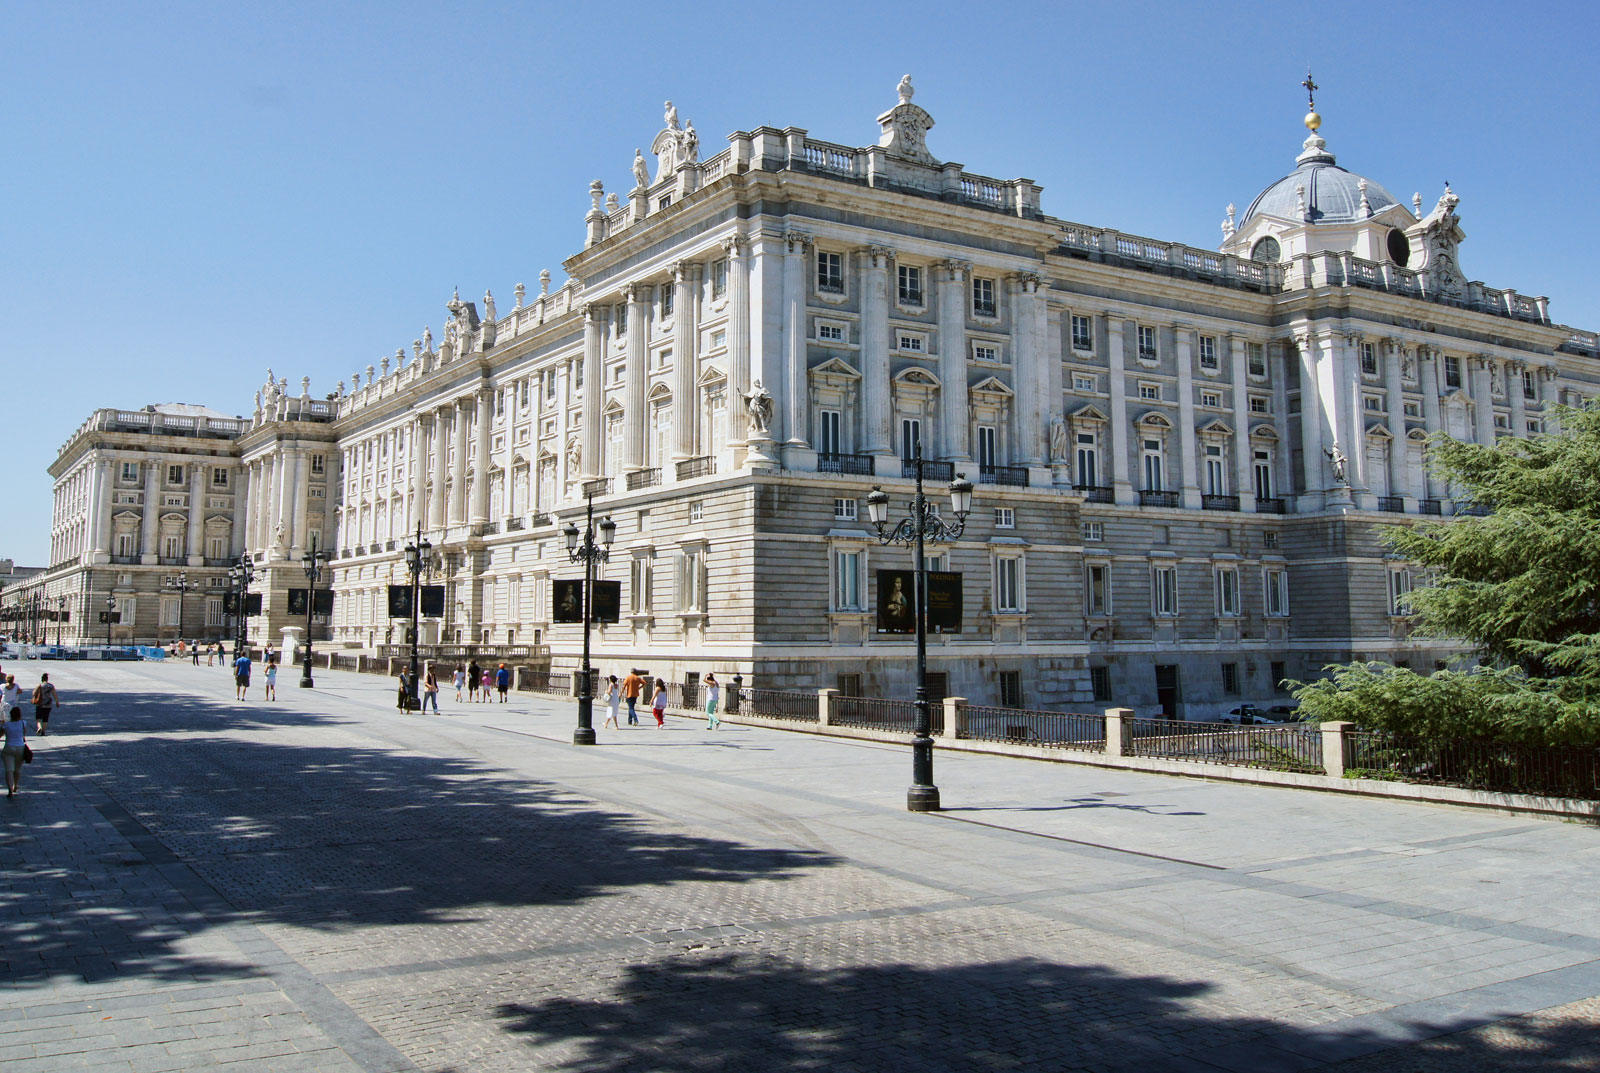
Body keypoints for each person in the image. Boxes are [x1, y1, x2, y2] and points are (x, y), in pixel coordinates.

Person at [3, 704, 26, 798]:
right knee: (17, 769)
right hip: (20, 747)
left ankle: (9, 790)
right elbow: (24, 735)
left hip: (9, 747)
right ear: (19, 715)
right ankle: (16, 785)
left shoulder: (6, 725)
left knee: (9, 770)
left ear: (10, 715)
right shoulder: (23, 723)